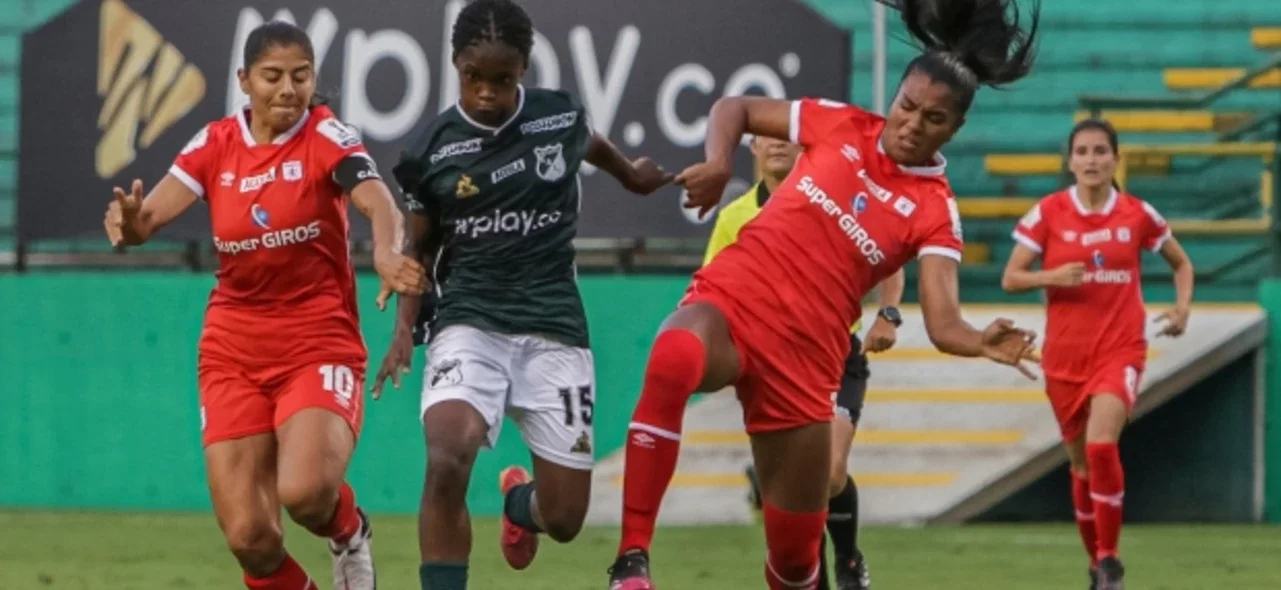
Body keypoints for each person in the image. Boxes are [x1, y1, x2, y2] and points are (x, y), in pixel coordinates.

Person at [606, 0, 1045, 587]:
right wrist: (716, 161)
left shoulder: (935, 211)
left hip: (807, 360)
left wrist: (980, 342)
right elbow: (735, 108)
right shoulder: (841, 124)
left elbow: (943, 322)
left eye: (932, 119)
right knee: (671, 357)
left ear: (956, 128)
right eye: (905, 106)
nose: (911, 124)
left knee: (793, 561)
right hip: (736, 302)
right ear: (893, 97)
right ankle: (632, 560)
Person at [101, 20, 426, 590]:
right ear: (244, 80)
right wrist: (130, 224)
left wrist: (387, 254)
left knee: (304, 494)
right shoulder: (215, 144)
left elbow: (378, 203)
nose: (287, 90)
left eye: (301, 77)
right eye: (272, 77)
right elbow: (145, 220)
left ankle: (348, 531)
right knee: (250, 538)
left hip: (315, 339)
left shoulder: (327, 136)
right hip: (233, 350)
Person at [368, 2, 672, 589]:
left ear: (523, 69)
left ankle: (517, 507)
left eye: (501, 79)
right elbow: (418, 250)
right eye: (473, 77)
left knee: (562, 519)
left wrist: (633, 175)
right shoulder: (430, 149)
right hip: (469, 321)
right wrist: (406, 328)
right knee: (446, 459)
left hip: (554, 326)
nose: (486, 92)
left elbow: (595, 146)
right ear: (456, 66)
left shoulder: (558, 118)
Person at [1001, 118, 1194, 590]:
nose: (1091, 160)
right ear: (1070, 162)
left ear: (1115, 158)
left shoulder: (1137, 214)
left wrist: (1182, 307)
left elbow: (1181, 262)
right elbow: (1011, 277)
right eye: (1082, 151)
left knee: (1102, 445)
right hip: (1064, 358)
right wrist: (1050, 277)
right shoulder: (1047, 213)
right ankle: (1096, 566)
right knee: (1082, 466)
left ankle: (1110, 559)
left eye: (1100, 151)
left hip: (1120, 349)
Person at [707, 135, 904, 590]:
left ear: (806, 149)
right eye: (767, 139)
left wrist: (887, 315)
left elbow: (891, 257)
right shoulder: (734, 218)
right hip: (772, 371)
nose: (777, 146)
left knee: (828, 473)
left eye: (789, 139)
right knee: (797, 489)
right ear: (752, 148)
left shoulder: (833, 205)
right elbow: (714, 290)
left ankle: (849, 558)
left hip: (836, 357)